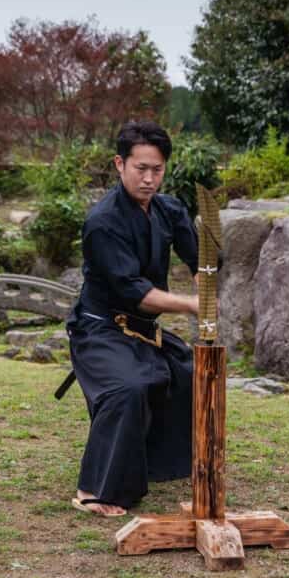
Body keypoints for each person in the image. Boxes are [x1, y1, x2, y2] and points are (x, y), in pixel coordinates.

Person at [66, 120, 199, 516]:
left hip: (142, 330)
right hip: (99, 328)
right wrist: (193, 305)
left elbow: (202, 261)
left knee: (189, 371)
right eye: (140, 168)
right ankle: (94, 491)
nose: (149, 178)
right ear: (119, 164)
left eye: (157, 169)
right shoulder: (103, 222)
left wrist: (205, 281)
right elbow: (136, 294)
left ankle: (159, 465)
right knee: (127, 388)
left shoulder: (168, 209)